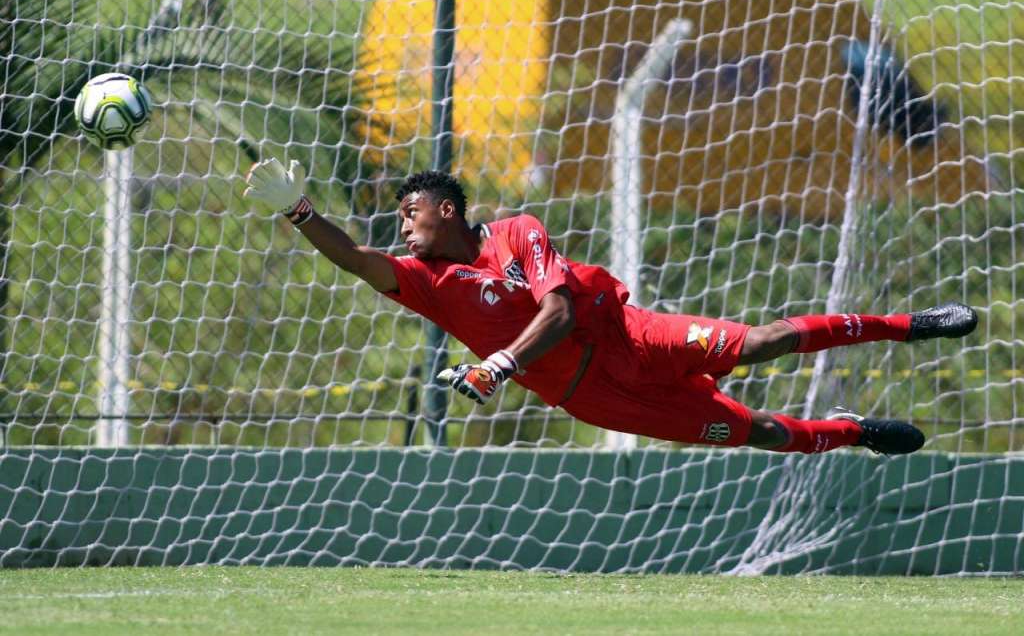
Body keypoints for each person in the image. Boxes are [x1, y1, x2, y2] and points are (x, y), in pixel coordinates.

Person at [242, 161, 978, 455]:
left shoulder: (518, 233)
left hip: (631, 338)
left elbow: (558, 310)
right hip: (591, 396)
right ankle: (852, 434)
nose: (403, 226)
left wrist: (498, 365)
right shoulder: (423, 281)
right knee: (754, 431)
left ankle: (908, 326)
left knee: (762, 341)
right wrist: (301, 212)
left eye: (411, 212)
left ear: (448, 208)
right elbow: (355, 258)